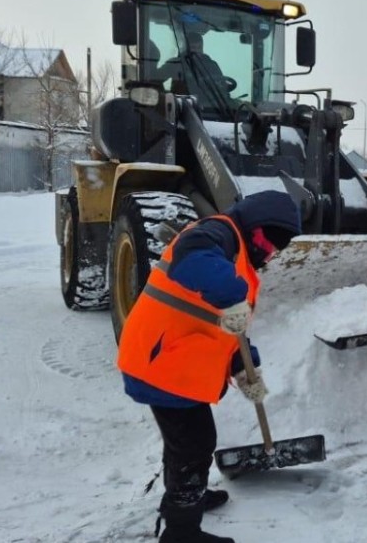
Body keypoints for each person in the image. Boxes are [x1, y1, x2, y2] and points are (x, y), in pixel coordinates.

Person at [117, 191, 302, 543]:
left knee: (184, 443)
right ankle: (181, 531)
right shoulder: (218, 233)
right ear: (257, 227)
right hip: (163, 364)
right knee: (194, 445)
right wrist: (231, 293)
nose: (273, 252)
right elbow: (193, 260)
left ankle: (187, 499)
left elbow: (222, 324)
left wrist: (244, 367)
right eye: (272, 242)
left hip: (175, 362)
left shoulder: (239, 253)